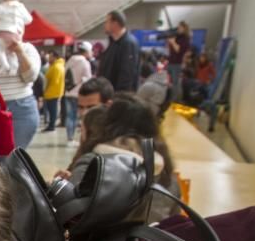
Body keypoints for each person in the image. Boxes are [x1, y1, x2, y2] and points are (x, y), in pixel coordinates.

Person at [66, 95, 181, 223]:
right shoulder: (167, 176)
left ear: (107, 124)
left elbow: (69, 213)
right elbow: (172, 221)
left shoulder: (93, 163)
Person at [0, 22, 41, 150]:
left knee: (15, 157)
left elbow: (30, 77)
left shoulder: (27, 48)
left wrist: (19, 51)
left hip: (21, 107)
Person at [98, 10, 140, 92]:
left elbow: (127, 74)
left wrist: (118, 97)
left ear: (115, 23)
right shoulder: (113, 42)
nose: (104, 25)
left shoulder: (128, 43)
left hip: (119, 96)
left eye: (107, 22)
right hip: (107, 94)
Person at [63, 41, 93, 146]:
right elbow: (88, 79)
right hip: (79, 93)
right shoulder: (85, 62)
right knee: (78, 116)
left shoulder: (69, 60)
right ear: (86, 51)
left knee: (69, 116)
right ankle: (76, 139)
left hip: (68, 92)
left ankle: (69, 138)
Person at [166, 21, 191, 100]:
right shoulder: (177, 37)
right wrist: (169, 42)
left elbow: (179, 50)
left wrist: (173, 42)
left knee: (175, 84)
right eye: (178, 27)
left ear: (184, 28)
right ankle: (169, 99)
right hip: (171, 62)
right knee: (169, 83)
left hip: (177, 64)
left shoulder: (185, 39)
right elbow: (170, 50)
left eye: (180, 27)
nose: (178, 29)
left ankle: (174, 101)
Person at [42, 50, 65, 132]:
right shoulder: (57, 66)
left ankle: (51, 126)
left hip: (52, 92)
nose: (49, 59)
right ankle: (51, 125)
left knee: (52, 110)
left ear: (55, 57)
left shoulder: (56, 67)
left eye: (50, 57)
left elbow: (54, 81)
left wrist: (46, 90)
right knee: (52, 110)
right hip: (54, 92)